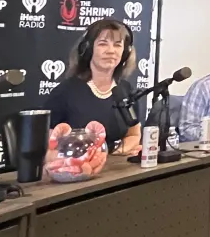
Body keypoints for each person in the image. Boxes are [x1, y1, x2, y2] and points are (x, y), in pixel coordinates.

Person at [46, 19, 142, 154]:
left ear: (125, 52)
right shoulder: (64, 93)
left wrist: (116, 154)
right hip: (76, 169)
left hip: (116, 170)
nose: (111, 51)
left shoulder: (125, 90)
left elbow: (134, 134)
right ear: (88, 49)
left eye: (117, 45)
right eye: (103, 44)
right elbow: (46, 145)